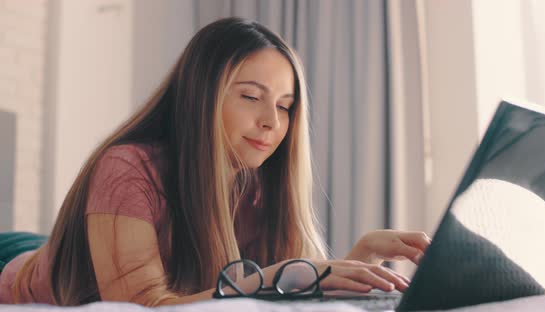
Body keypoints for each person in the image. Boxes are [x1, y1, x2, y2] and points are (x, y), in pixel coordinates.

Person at [0, 17, 430, 306]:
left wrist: (359, 263)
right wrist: (272, 277)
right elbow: (142, 306)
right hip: (15, 262)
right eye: (250, 97)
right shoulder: (128, 167)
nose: (270, 122)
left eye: (285, 106)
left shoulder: (260, 183)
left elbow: (295, 292)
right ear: (201, 95)